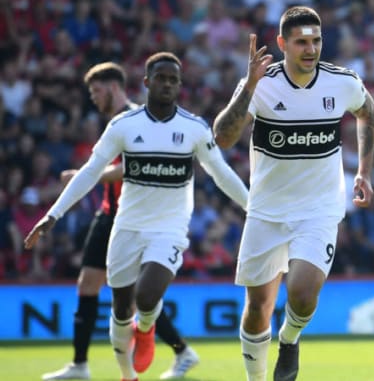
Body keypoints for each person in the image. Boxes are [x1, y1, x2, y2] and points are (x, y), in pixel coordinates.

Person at [25, 52, 250, 381]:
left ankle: (145, 330)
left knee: (146, 297)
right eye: (161, 78)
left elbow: (223, 174)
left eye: (174, 80)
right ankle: (127, 375)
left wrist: (254, 209)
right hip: (125, 227)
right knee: (119, 310)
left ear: (180, 85)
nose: (168, 84)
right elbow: (90, 172)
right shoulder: (123, 126)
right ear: (147, 82)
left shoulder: (194, 129)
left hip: (169, 229)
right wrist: (53, 215)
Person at [212, 6, 374, 381]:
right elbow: (221, 137)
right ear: (282, 43)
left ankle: (289, 341)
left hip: (319, 210)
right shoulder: (262, 83)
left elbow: (368, 113)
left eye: (316, 40)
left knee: (302, 294)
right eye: (301, 41)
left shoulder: (342, 82)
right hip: (266, 212)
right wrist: (249, 85)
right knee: (257, 308)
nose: (311, 48)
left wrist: (364, 172)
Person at [40, 61, 201, 380]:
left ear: (114, 87)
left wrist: (90, 176)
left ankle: (180, 351)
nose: (93, 98)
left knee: (135, 296)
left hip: (132, 217)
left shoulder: (134, 119)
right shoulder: (114, 122)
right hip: (108, 213)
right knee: (88, 285)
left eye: (96, 90)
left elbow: (132, 167)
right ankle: (80, 365)